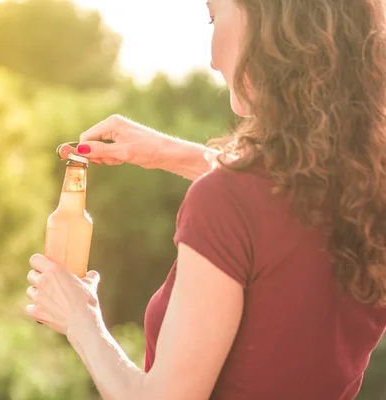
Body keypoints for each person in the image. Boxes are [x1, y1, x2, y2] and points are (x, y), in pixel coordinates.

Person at [25, 0, 386, 398]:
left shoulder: (226, 203)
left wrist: (81, 318)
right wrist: (171, 154)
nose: (212, 59)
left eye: (213, 17)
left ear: (271, 26)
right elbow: (280, 202)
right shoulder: (366, 190)